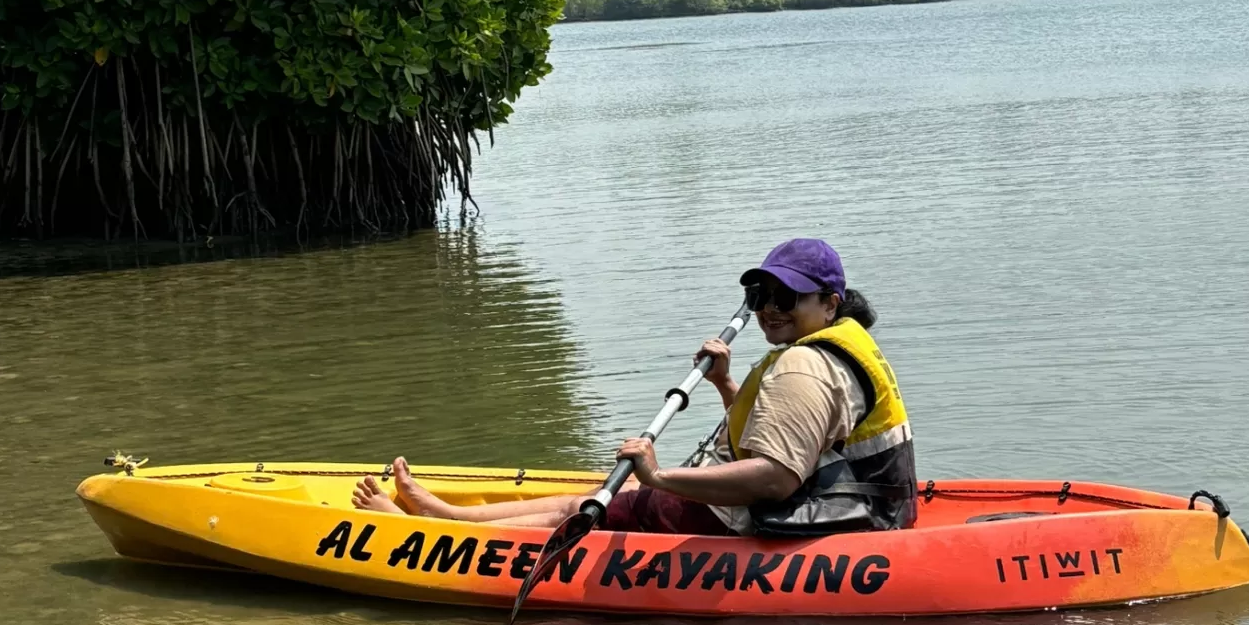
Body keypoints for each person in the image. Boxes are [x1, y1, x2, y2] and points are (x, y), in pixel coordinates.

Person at [351, 238, 917, 536]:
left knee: (591, 508)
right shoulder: (836, 347)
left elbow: (775, 477)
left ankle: (436, 531)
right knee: (596, 495)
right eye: (761, 295)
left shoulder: (805, 365)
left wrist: (660, 476)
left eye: (786, 298)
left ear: (829, 303)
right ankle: (445, 516)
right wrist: (726, 386)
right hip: (855, 506)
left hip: (782, 518)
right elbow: (803, 434)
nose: (769, 310)